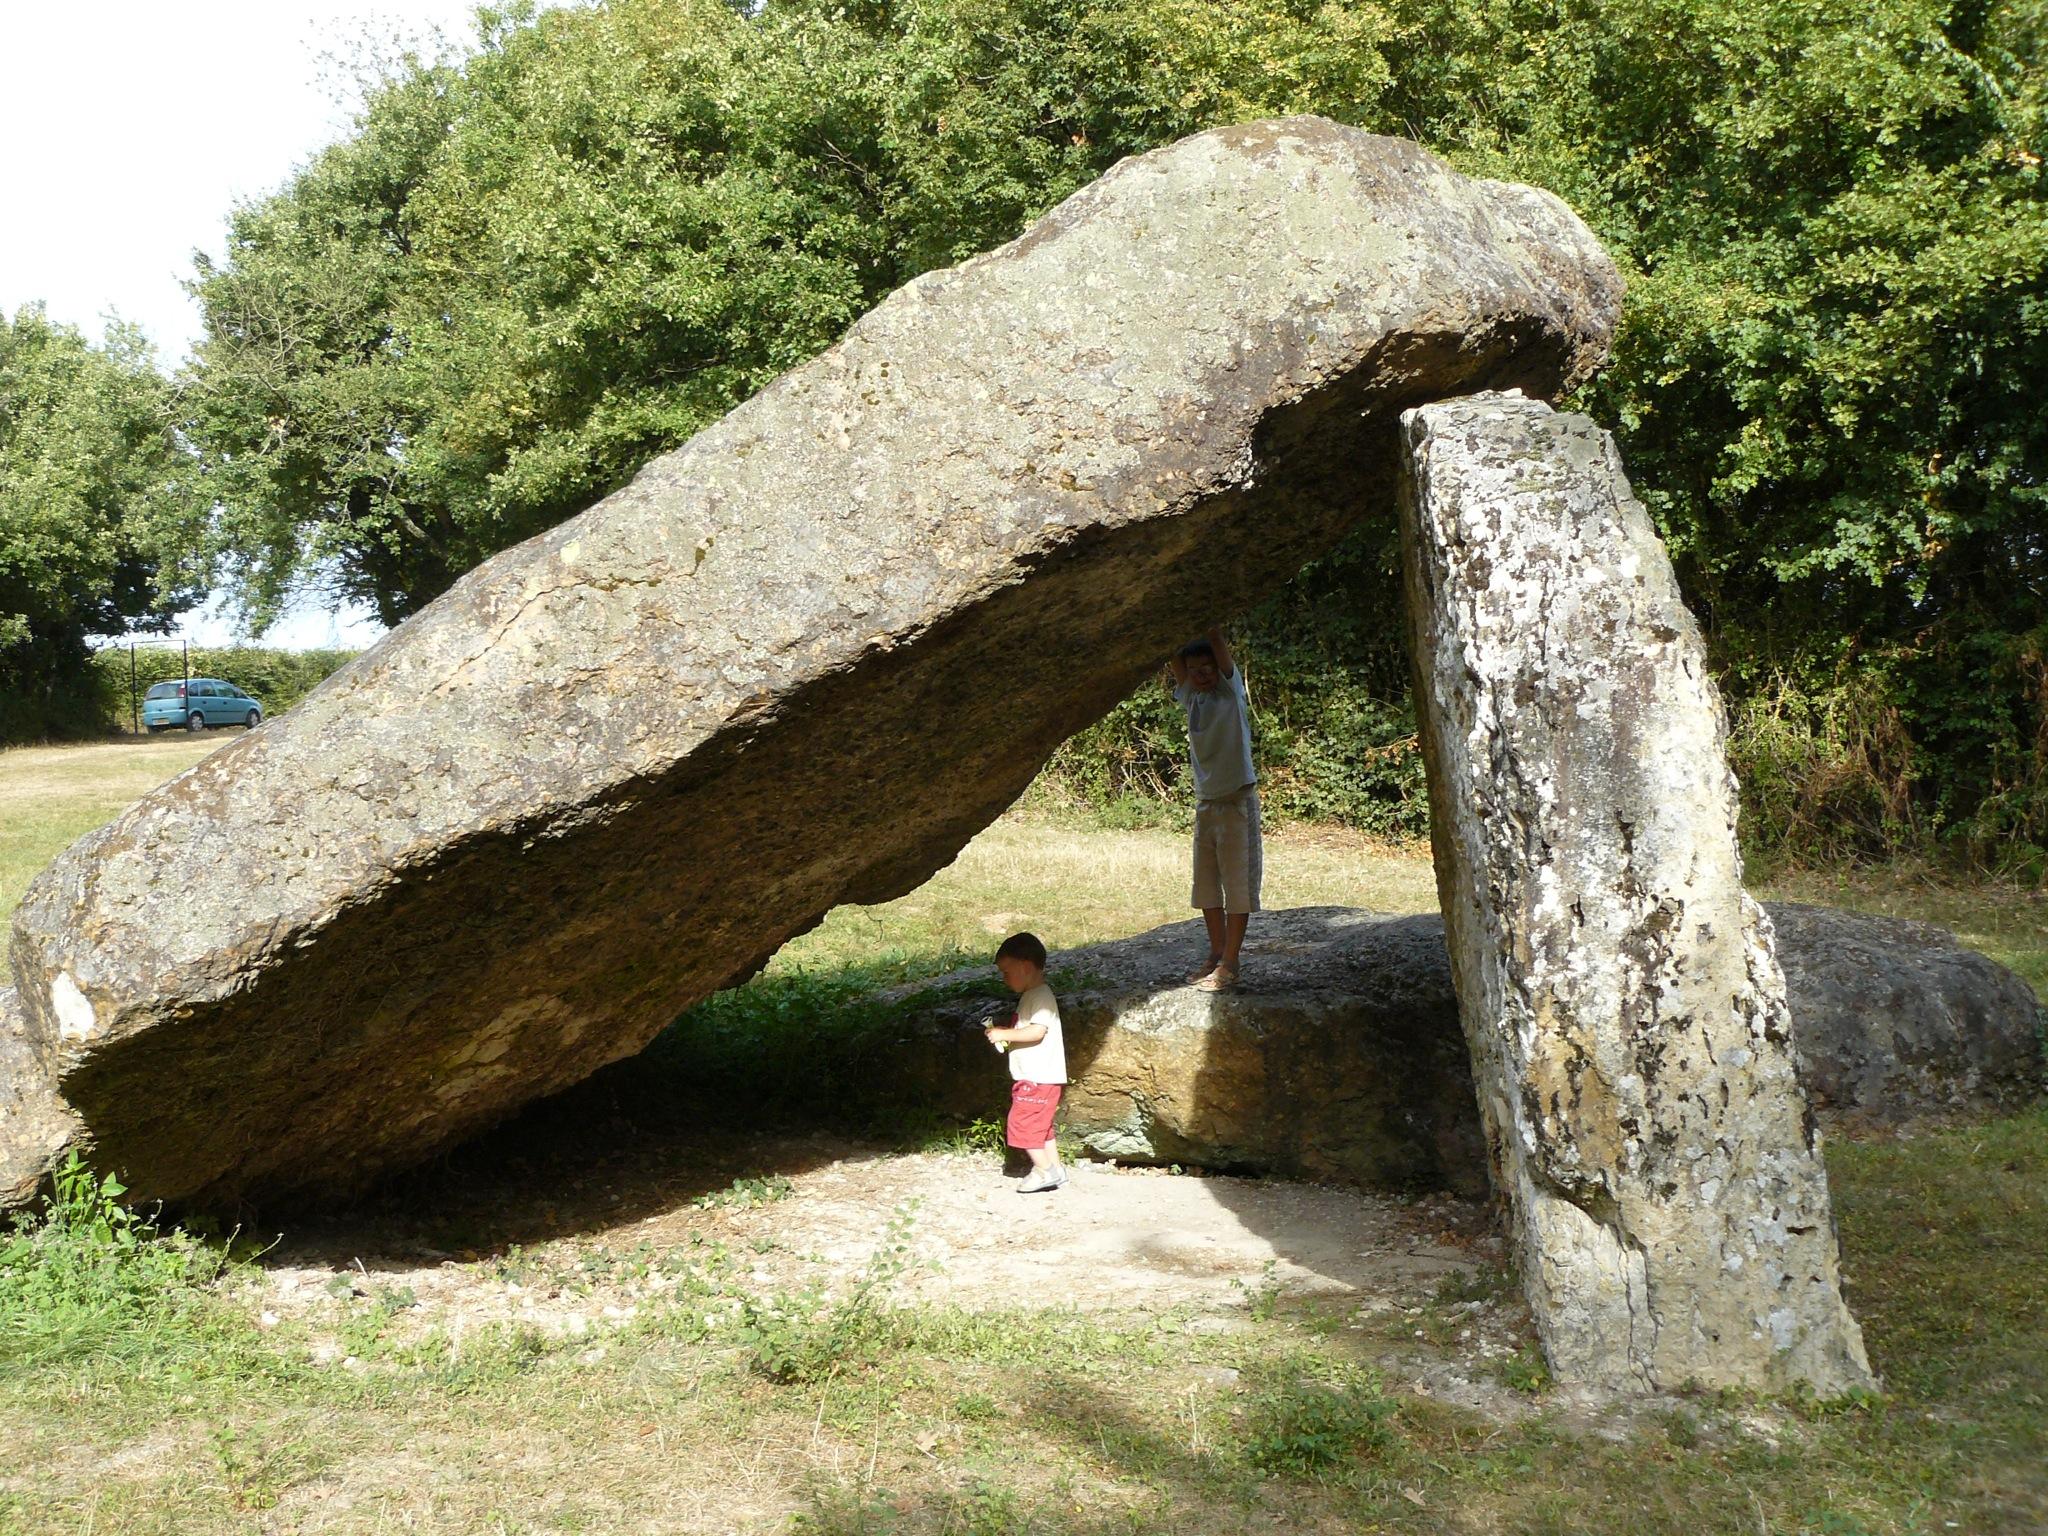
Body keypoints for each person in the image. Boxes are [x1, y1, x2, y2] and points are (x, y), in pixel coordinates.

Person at [1165, 628, 1261, 991]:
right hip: (1205, 803)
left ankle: (1230, 962)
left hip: (1237, 801)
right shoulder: (1191, 696)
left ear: (1218, 669)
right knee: (1206, 886)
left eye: (1208, 668)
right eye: (1194, 670)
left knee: (1238, 887)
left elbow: (1217, 641)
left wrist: (1208, 626)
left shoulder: (1230, 692)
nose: (1202, 674)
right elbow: (1172, 654)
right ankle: (1215, 953)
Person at [981, 931, 1068, 1193]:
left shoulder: (1041, 997)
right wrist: (1008, 1036)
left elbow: (1037, 1031)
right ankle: (1056, 1169)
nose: (1004, 979)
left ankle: (1043, 1170)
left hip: (1037, 1077)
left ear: (1026, 967)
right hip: (1039, 1077)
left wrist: (1004, 1034)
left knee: (1022, 1123)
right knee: (1042, 1127)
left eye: (1007, 972)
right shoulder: (1033, 996)